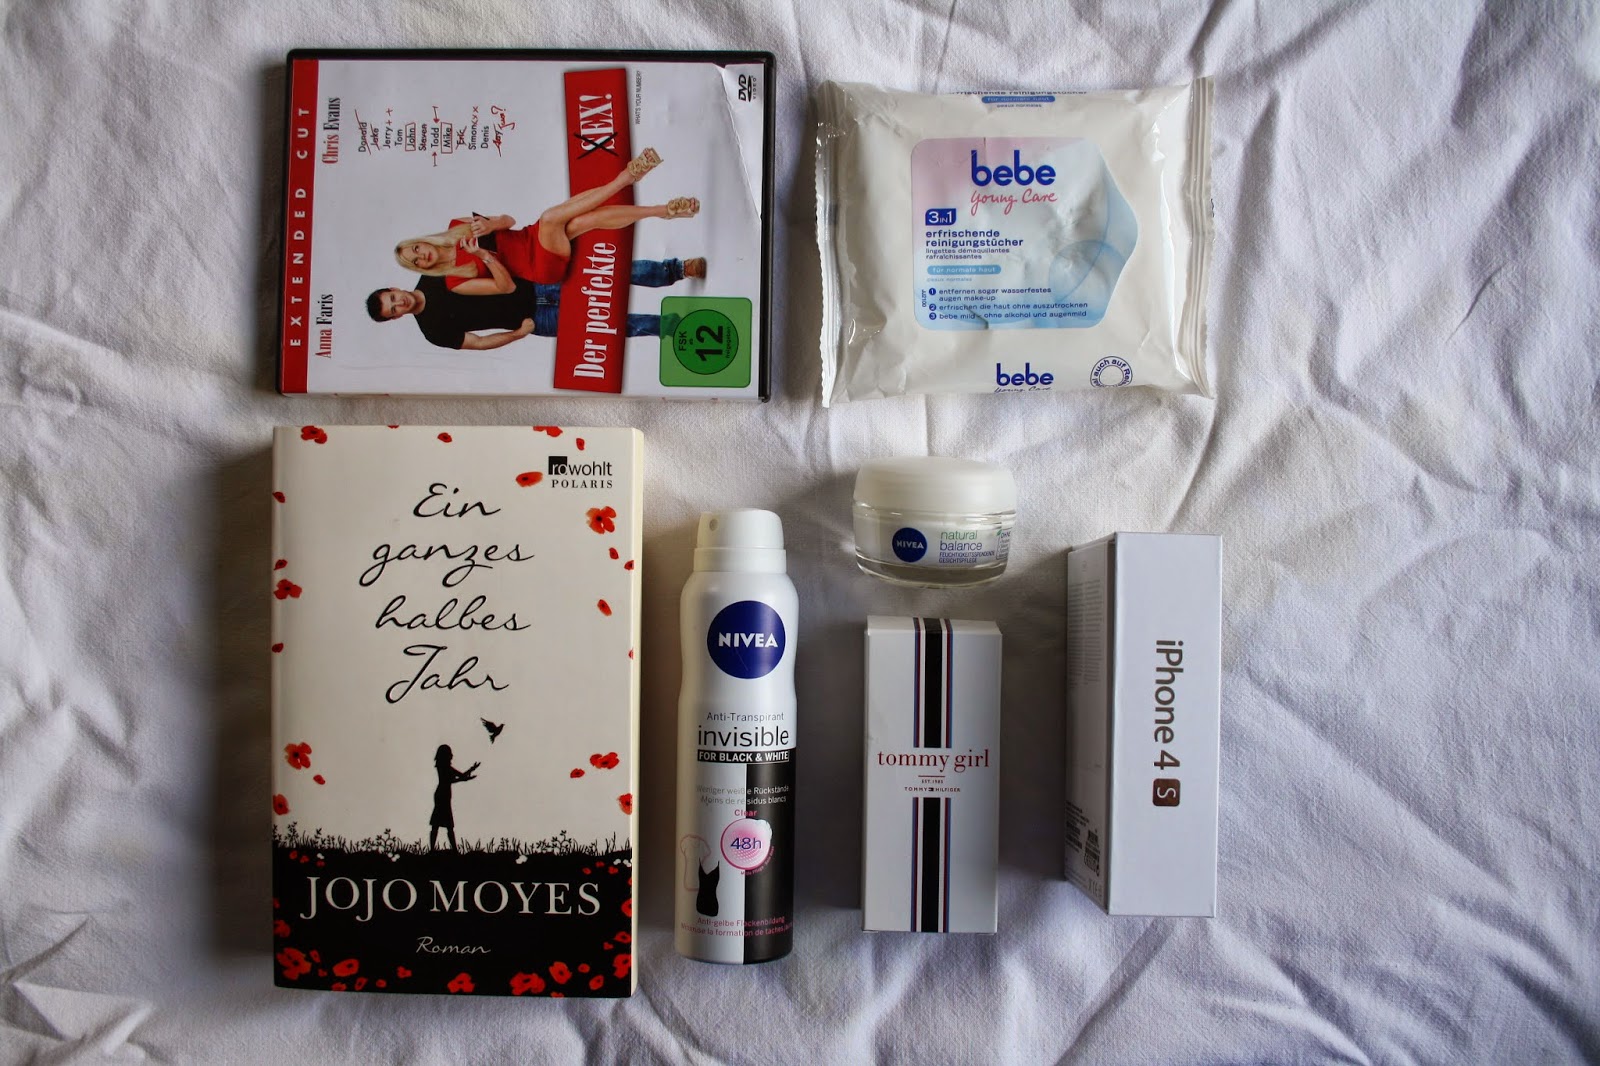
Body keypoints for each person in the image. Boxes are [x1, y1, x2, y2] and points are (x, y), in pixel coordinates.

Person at [393, 147, 699, 289]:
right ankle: (625, 179)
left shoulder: (455, 227)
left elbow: (509, 220)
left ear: (422, 241)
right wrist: (484, 256)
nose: (422, 256)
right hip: (538, 266)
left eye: (416, 249)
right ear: (420, 268)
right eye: (415, 261)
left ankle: (662, 211)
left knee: (583, 222)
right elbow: (506, 288)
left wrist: (491, 224)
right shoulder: (454, 281)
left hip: (530, 235)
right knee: (552, 217)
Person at [365, 259, 695, 351]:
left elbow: (483, 259)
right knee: (604, 326)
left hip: (535, 280)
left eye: (392, 298)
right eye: (393, 310)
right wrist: (518, 334)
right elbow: (477, 342)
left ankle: (675, 270)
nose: (399, 303)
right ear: (395, 318)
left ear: (394, 288)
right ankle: (670, 326)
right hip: (535, 319)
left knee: (604, 273)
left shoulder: (434, 274)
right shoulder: (432, 331)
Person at [429, 744, 479, 853]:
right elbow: (451, 779)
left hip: (444, 795)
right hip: (442, 795)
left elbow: (461, 776)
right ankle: (451, 850)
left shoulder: (444, 766)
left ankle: (445, 849)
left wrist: (471, 769)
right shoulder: (444, 767)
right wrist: (465, 778)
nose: (452, 756)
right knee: (443, 824)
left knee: (441, 824)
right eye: (450, 753)